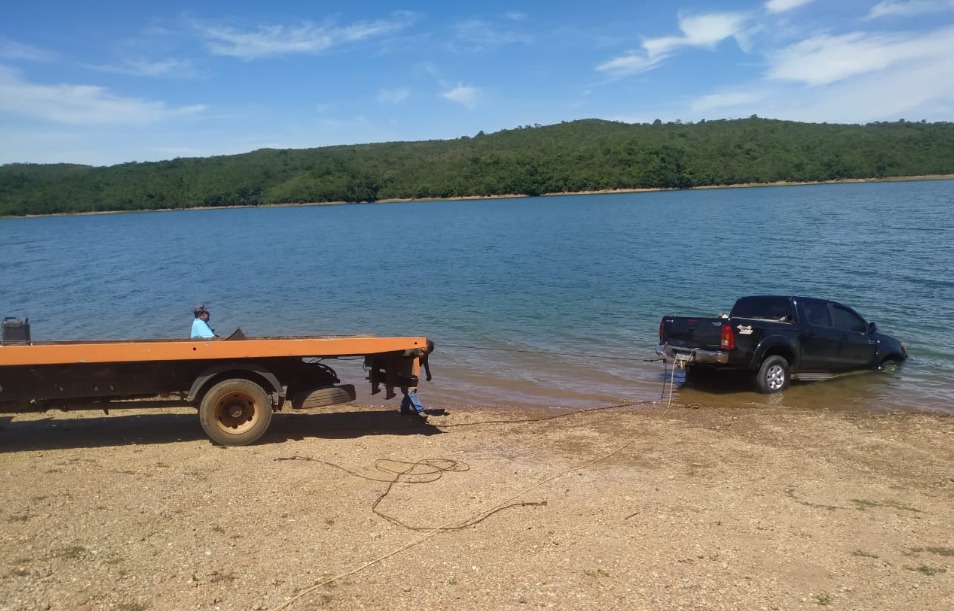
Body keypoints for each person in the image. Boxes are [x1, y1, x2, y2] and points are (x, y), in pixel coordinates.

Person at [400, 340, 434, 417]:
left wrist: (428, 373)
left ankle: (404, 409)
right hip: (405, 370)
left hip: (413, 371)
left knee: (411, 390)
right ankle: (419, 410)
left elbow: (425, 362)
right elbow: (402, 359)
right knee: (411, 390)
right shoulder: (411, 350)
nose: (423, 354)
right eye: (423, 351)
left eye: (426, 353)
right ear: (422, 346)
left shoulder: (425, 353)